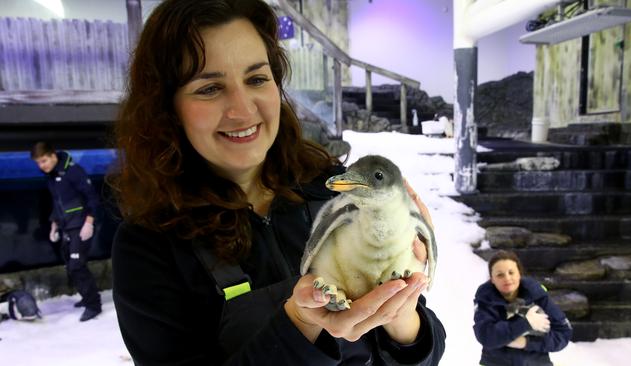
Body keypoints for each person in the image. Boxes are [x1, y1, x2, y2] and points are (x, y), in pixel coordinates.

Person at [108, 0, 446, 364]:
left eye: (256, 79)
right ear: (166, 106)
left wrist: (401, 309)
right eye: (209, 88)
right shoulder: (148, 247)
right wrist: (301, 323)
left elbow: (423, 347)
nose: (243, 109)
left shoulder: (331, 188)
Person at [31, 142, 102, 322]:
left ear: (53, 155)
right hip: (66, 226)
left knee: (77, 265)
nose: (42, 166)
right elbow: (58, 203)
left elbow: (92, 197)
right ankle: (87, 298)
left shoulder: (73, 171)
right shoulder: (52, 177)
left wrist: (89, 222)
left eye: (44, 160)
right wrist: (54, 225)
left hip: (80, 225)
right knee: (70, 265)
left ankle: (94, 305)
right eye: (38, 163)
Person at [473, 250, 572, 366]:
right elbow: (486, 336)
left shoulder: (538, 295)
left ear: (519, 273)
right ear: (492, 279)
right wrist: (525, 323)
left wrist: (526, 343)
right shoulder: (485, 299)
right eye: (500, 275)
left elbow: (563, 334)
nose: (507, 278)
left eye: (511, 272)